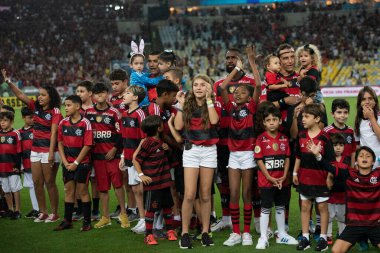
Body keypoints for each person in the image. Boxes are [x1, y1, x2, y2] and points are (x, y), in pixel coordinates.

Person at [2, 69, 62, 223]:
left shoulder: (55, 111)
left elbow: (54, 133)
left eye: (43, 95)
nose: (39, 97)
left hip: (49, 151)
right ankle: (42, 212)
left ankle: (54, 213)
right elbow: (21, 95)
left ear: (51, 97)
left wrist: (50, 153)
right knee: (37, 182)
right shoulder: (35, 107)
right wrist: (8, 82)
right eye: (39, 94)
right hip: (35, 150)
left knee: (49, 183)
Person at [212, 46, 260, 233]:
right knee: (226, 185)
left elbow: (258, 86)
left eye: (234, 58)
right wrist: (236, 71)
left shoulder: (250, 95)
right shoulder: (221, 87)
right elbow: (223, 89)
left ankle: (254, 223)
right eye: (228, 58)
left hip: (248, 146)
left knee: (250, 188)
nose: (229, 60)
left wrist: (251, 62)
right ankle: (228, 221)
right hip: (227, 145)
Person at [175, 74, 221, 249]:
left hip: (209, 151)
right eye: (196, 85)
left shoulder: (213, 104)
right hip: (191, 151)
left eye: (203, 84)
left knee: (205, 194)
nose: (199, 87)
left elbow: (215, 121)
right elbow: (179, 126)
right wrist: (180, 105)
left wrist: (209, 99)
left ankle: (205, 232)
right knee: (189, 194)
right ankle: (185, 233)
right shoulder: (187, 104)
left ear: (208, 87)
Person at [307, 145, 380, 253]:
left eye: (368, 156)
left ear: (373, 162)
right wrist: (318, 155)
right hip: (354, 225)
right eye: (361, 155)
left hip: (375, 225)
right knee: (336, 250)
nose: (364, 158)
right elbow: (329, 167)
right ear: (356, 161)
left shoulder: (378, 175)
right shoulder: (349, 174)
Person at [85, 82, 129, 229]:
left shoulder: (114, 113)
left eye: (103, 93)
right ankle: (105, 217)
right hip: (97, 157)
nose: (100, 96)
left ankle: (123, 214)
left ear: (107, 94)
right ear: (93, 96)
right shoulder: (89, 113)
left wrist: (115, 149)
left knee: (118, 186)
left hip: (112, 157)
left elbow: (122, 134)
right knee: (102, 188)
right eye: (97, 94)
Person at [293, 103, 335, 251]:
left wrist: (329, 177)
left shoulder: (325, 137)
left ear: (317, 119)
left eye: (306, 116)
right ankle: (305, 237)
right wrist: (295, 173)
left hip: (320, 179)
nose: (303, 119)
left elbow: (331, 161)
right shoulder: (301, 135)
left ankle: (323, 238)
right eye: (302, 116)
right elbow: (298, 156)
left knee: (322, 207)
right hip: (304, 177)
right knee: (305, 207)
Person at [255, 107, 298, 249]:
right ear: (264, 123)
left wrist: (285, 175)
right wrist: (268, 177)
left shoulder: (284, 139)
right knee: (266, 208)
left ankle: (281, 234)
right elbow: (259, 160)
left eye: (274, 120)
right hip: (267, 181)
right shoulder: (260, 139)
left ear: (280, 121)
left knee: (280, 206)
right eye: (268, 120)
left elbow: (287, 159)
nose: (272, 123)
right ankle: (263, 237)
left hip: (281, 180)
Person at [133, 115, 178, 245]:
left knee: (168, 207)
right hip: (152, 184)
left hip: (164, 182)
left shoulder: (161, 142)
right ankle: (148, 235)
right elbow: (137, 160)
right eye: (161, 124)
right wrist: (141, 175)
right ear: (159, 128)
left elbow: (167, 157)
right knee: (151, 210)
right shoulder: (147, 143)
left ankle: (170, 231)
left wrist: (167, 149)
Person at [146, 79, 181, 236]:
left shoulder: (168, 108)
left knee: (168, 188)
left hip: (167, 155)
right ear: (165, 94)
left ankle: (167, 222)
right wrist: (176, 144)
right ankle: (155, 225)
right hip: (154, 158)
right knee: (158, 190)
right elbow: (159, 133)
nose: (174, 99)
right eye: (173, 95)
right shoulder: (153, 108)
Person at [55, 95, 93, 231]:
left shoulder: (85, 123)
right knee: (69, 191)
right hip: (67, 163)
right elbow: (59, 143)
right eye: (65, 105)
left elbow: (87, 145)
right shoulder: (63, 123)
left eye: (69, 105)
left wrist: (76, 162)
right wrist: (65, 162)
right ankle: (67, 221)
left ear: (77, 106)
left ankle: (87, 222)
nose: (66, 108)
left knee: (82, 191)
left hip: (82, 164)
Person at [109, 69, 137, 222]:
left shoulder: (130, 97)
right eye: (112, 84)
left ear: (126, 82)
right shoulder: (112, 98)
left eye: (117, 83)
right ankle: (124, 206)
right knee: (120, 177)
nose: (114, 87)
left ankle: (133, 208)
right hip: (117, 140)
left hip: (129, 141)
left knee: (129, 177)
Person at [119, 85, 147, 234]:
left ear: (135, 97)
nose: (124, 95)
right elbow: (124, 138)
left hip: (139, 160)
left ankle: (148, 220)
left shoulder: (140, 114)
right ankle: (142, 219)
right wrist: (123, 156)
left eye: (128, 93)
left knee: (143, 190)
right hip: (129, 158)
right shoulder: (124, 115)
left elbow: (144, 138)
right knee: (135, 189)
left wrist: (136, 155)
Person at [75, 80, 100, 221]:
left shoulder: (96, 109)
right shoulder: (74, 108)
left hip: (94, 150)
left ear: (90, 93)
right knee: (79, 181)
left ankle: (95, 210)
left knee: (94, 180)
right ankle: (80, 209)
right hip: (78, 151)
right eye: (77, 91)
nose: (79, 94)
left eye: (82, 91)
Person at [326, 134, 350, 245]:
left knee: (342, 217)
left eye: (341, 145)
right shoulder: (328, 160)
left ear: (344, 146)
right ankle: (328, 235)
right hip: (330, 195)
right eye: (335, 145)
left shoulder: (347, 160)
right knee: (329, 216)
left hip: (342, 195)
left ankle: (342, 235)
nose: (338, 147)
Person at [0, 111, 22, 219]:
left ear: (11, 121)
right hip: (2, 167)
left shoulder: (16, 134)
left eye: (5, 120)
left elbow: (19, 151)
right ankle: (10, 209)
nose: (2, 123)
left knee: (15, 188)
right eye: (1, 120)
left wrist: (17, 166)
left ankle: (17, 210)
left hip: (13, 167)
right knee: (6, 189)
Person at [129, 39, 163, 107]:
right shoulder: (136, 75)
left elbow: (146, 75)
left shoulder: (140, 74)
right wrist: (162, 77)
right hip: (141, 103)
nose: (139, 66)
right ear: (131, 65)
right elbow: (151, 81)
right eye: (136, 63)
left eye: (141, 63)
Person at [19, 107, 39, 219]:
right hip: (26, 164)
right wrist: (21, 165)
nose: (33, 119)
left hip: (38, 162)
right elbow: (19, 151)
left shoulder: (36, 129)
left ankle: (41, 209)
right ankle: (35, 208)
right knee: (31, 186)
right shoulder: (20, 133)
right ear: (23, 118)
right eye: (30, 117)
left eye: (33, 117)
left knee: (39, 185)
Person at [324, 99, 356, 167]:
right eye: (339, 112)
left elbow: (353, 151)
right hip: (332, 170)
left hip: (347, 169)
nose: (342, 115)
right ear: (332, 114)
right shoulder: (326, 131)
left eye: (345, 112)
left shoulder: (351, 131)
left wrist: (352, 168)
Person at [354, 86, 380, 167]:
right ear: (360, 103)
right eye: (363, 99)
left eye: (370, 98)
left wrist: (371, 117)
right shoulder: (358, 120)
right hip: (365, 166)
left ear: (375, 101)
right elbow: (358, 144)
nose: (367, 102)